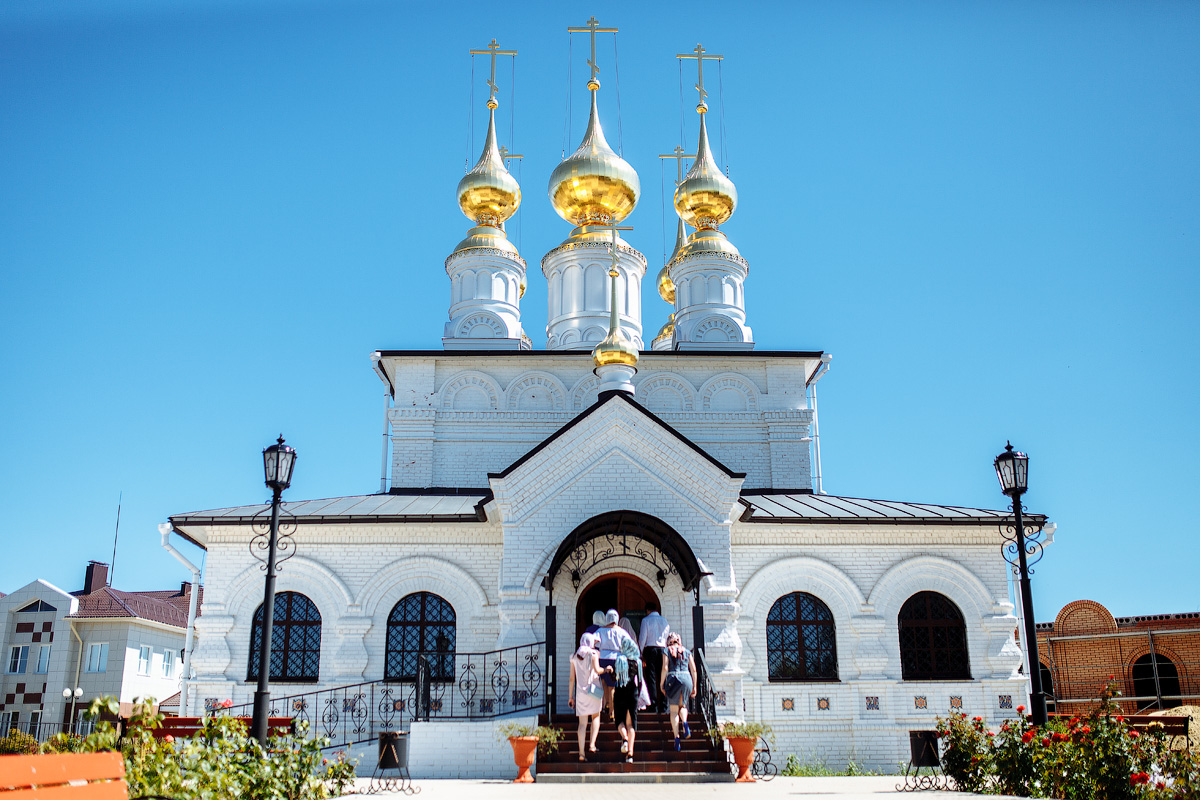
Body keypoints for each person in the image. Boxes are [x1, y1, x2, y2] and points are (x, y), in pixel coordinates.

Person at [567, 632, 610, 761]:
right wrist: (606, 669)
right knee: (596, 716)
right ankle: (592, 744)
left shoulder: (574, 657)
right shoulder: (593, 654)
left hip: (580, 693)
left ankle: (581, 753)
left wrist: (571, 697)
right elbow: (598, 670)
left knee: (582, 724)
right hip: (594, 691)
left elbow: (571, 679)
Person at [661, 632, 697, 751]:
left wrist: (662, 684)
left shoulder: (667, 650)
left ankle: (677, 738)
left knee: (674, 711)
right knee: (683, 706)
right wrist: (694, 686)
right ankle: (685, 722)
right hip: (687, 678)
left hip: (673, 679)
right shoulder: (687, 651)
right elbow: (694, 669)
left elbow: (665, 667)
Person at [596, 609, 634, 721]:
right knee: (612, 686)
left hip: (602, 658)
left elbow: (594, 642)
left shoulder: (600, 631)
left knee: (603, 683)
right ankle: (612, 711)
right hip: (616, 659)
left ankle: (604, 706)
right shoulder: (622, 632)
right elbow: (629, 644)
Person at [613, 634, 643, 763]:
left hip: (620, 692)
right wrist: (637, 693)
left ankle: (624, 738)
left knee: (619, 719)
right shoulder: (637, 662)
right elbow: (640, 681)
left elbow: (615, 678)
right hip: (633, 692)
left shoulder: (620, 660)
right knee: (631, 724)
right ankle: (630, 754)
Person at [637, 601, 670, 713]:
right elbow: (666, 635)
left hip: (650, 649)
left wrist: (640, 652)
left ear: (647, 610)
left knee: (651, 678)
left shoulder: (646, 620)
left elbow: (642, 638)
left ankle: (654, 705)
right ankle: (664, 706)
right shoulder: (664, 620)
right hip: (662, 649)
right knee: (662, 676)